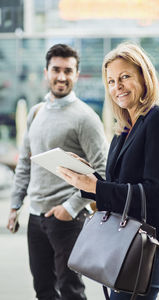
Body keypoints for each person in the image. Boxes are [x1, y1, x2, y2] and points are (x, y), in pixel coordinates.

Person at [57, 42, 159, 300]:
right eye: (112, 81)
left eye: (125, 77)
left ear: (144, 76)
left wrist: (96, 186)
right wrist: (86, 178)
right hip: (123, 244)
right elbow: (117, 186)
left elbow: (156, 194)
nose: (118, 86)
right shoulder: (124, 130)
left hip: (150, 246)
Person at [7, 44, 108, 300]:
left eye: (68, 70)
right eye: (56, 70)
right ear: (46, 72)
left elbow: (104, 171)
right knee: (43, 291)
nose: (61, 76)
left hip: (68, 220)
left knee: (71, 291)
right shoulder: (35, 113)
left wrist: (71, 208)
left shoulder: (85, 117)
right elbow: (25, 163)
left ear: (77, 74)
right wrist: (15, 204)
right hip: (35, 217)